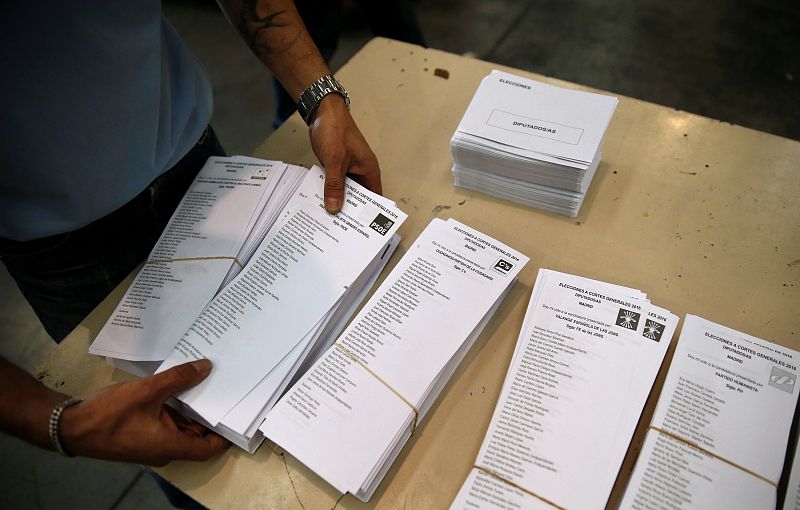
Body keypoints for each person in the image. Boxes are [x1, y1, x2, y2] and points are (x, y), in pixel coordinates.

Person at [0, 0, 380, 471]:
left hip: (195, 160)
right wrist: (61, 423)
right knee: (173, 441)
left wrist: (321, 99)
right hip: (64, 243)